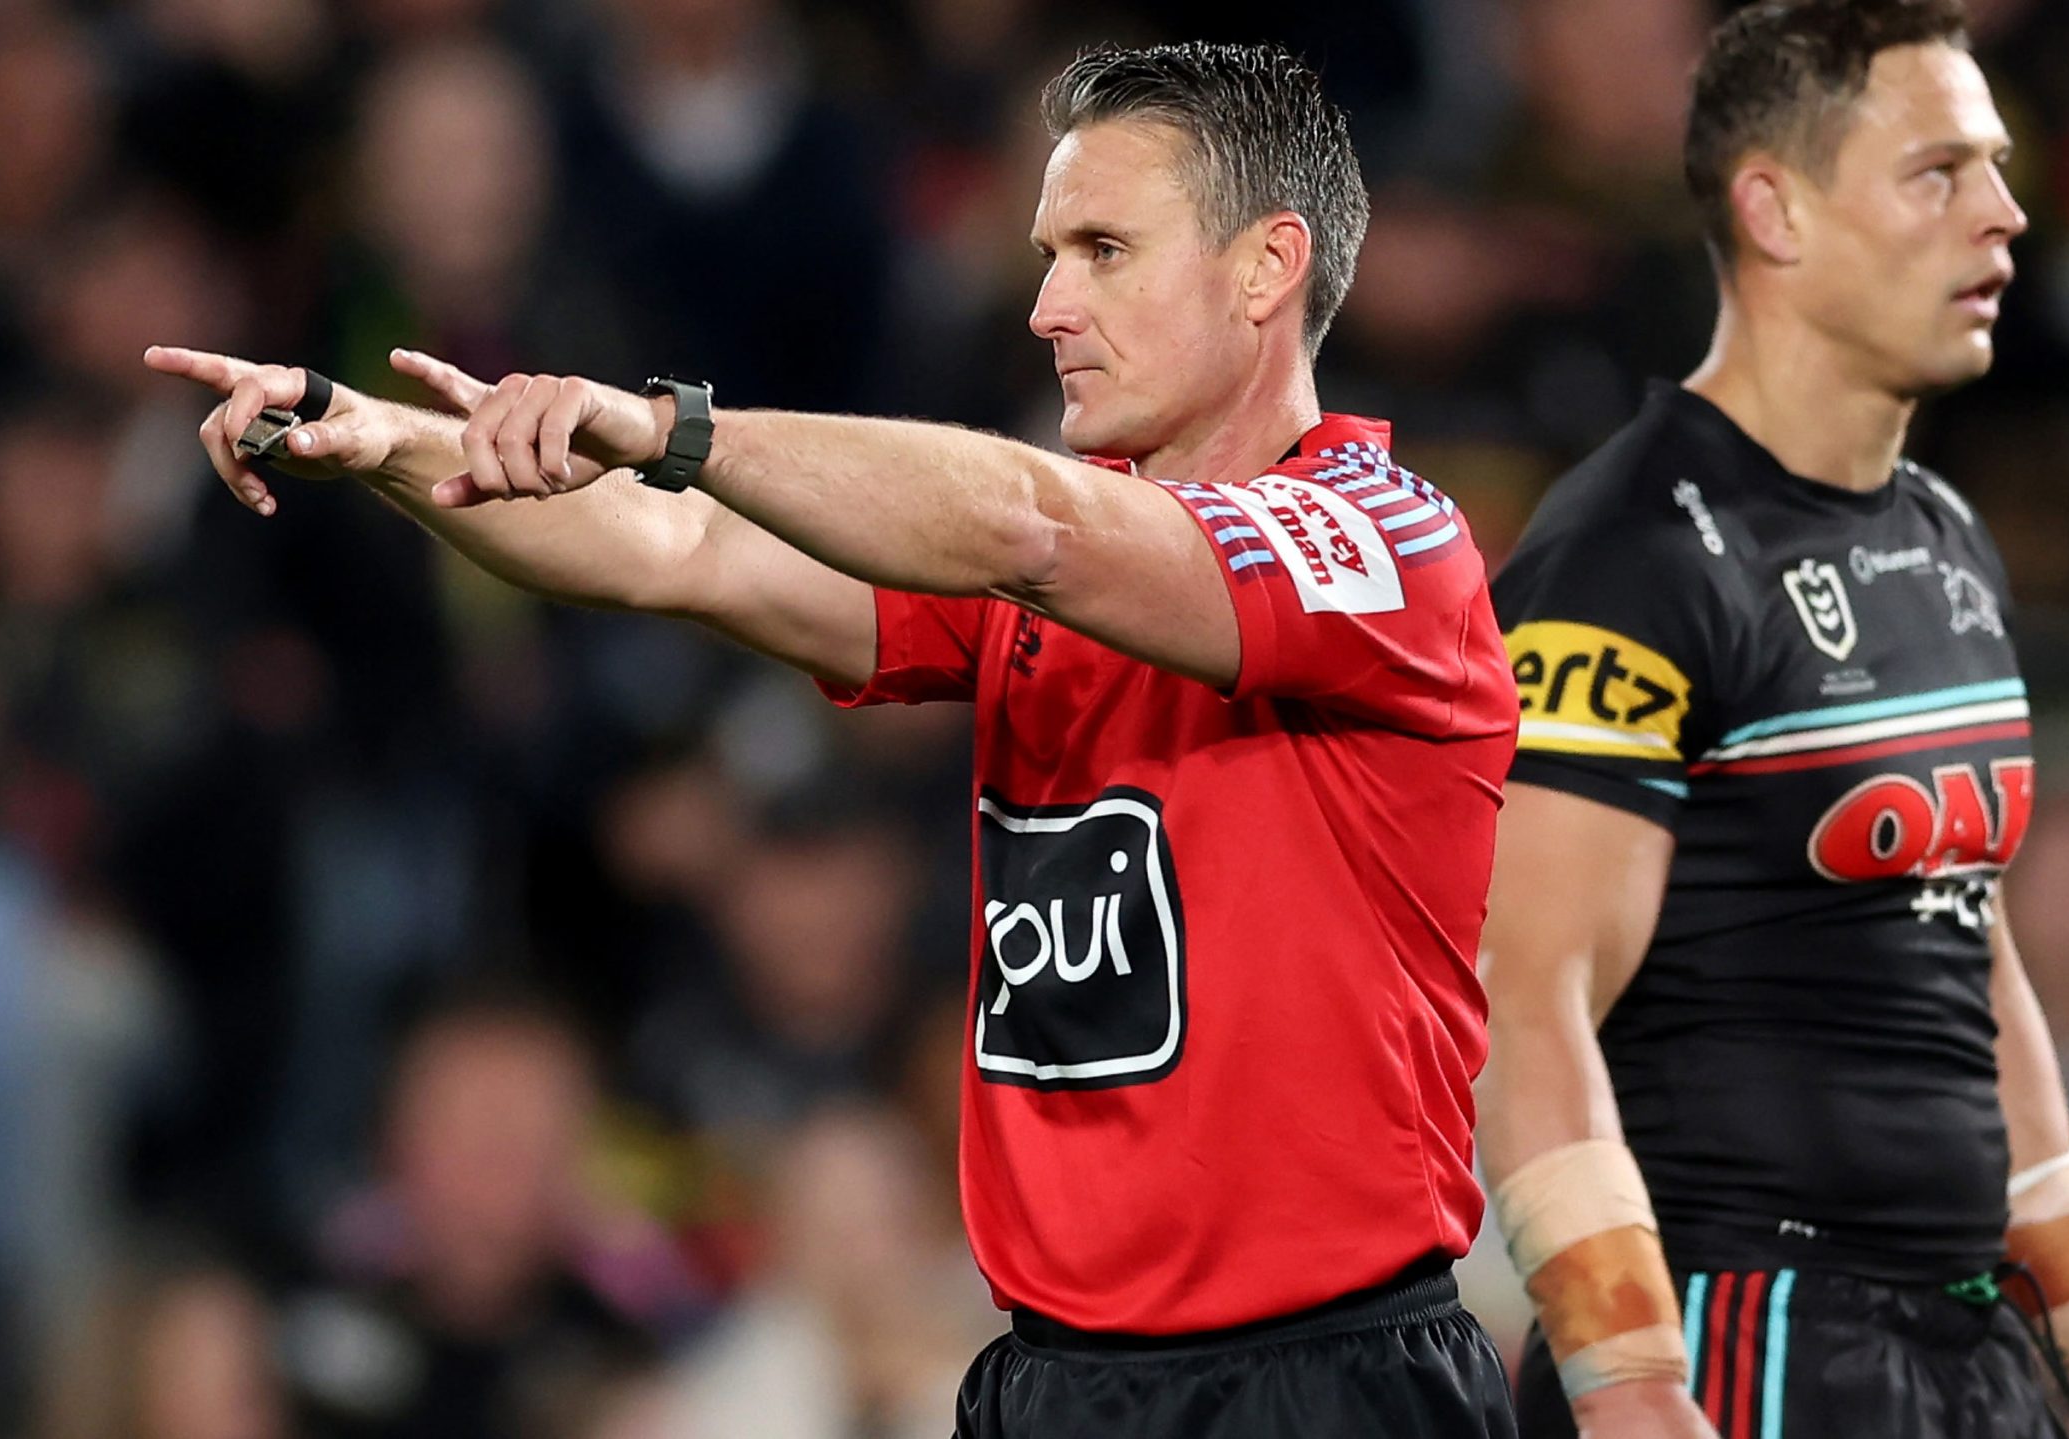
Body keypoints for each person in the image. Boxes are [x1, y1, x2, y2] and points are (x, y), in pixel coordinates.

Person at [148, 40, 1518, 1439]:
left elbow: (1022, 522)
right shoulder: (1037, 579)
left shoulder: (1380, 547)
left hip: (1326, 1383)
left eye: (1106, 248)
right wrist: (384, 444)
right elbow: (682, 550)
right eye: (1047, 253)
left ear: (1266, 268)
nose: (1050, 305)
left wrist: (675, 423)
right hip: (1052, 1379)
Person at [1472, 4, 2069, 1436]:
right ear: (1774, 212)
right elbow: (1521, 988)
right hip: (1747, 1333)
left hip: (1966, 1343)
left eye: (1992, 166)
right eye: (1939, 172)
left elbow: (1968, 957)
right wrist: (1626, 1381)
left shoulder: (1949, 541)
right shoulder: (1630, 559)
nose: (2005, 212)